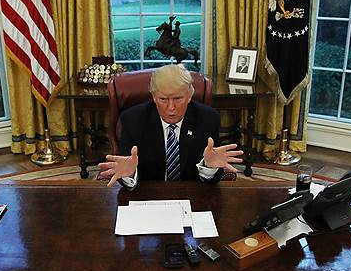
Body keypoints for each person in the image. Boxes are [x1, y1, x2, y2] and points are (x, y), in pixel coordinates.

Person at [98, 64, 243, 188]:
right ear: (154, 96)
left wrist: (209, 167)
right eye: (163, 99)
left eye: (178, 98)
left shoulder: (208, 119)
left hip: (192, 196)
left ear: (189, 95)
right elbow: (126, 173)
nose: (171, 108)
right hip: (148, 197)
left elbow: (211, 181)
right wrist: (130, 174)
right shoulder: (132, 120)